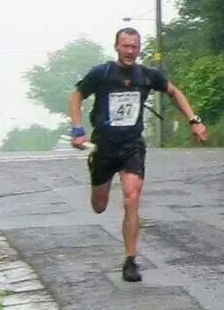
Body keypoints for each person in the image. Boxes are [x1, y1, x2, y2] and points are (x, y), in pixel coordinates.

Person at [69, 27, 208, 282]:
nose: (130, 51)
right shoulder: (103, 73)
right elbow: (76, 95)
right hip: (104, 146)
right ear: (117, 47)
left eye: (134, 46)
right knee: (99, 206)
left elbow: (174, 92)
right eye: (125, 46)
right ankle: (96, 172)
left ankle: (130, 260)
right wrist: (77, 130)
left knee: (132, 197)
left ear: (139, 48)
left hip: (132, 145)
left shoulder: (146, 75)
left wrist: (194, 120)